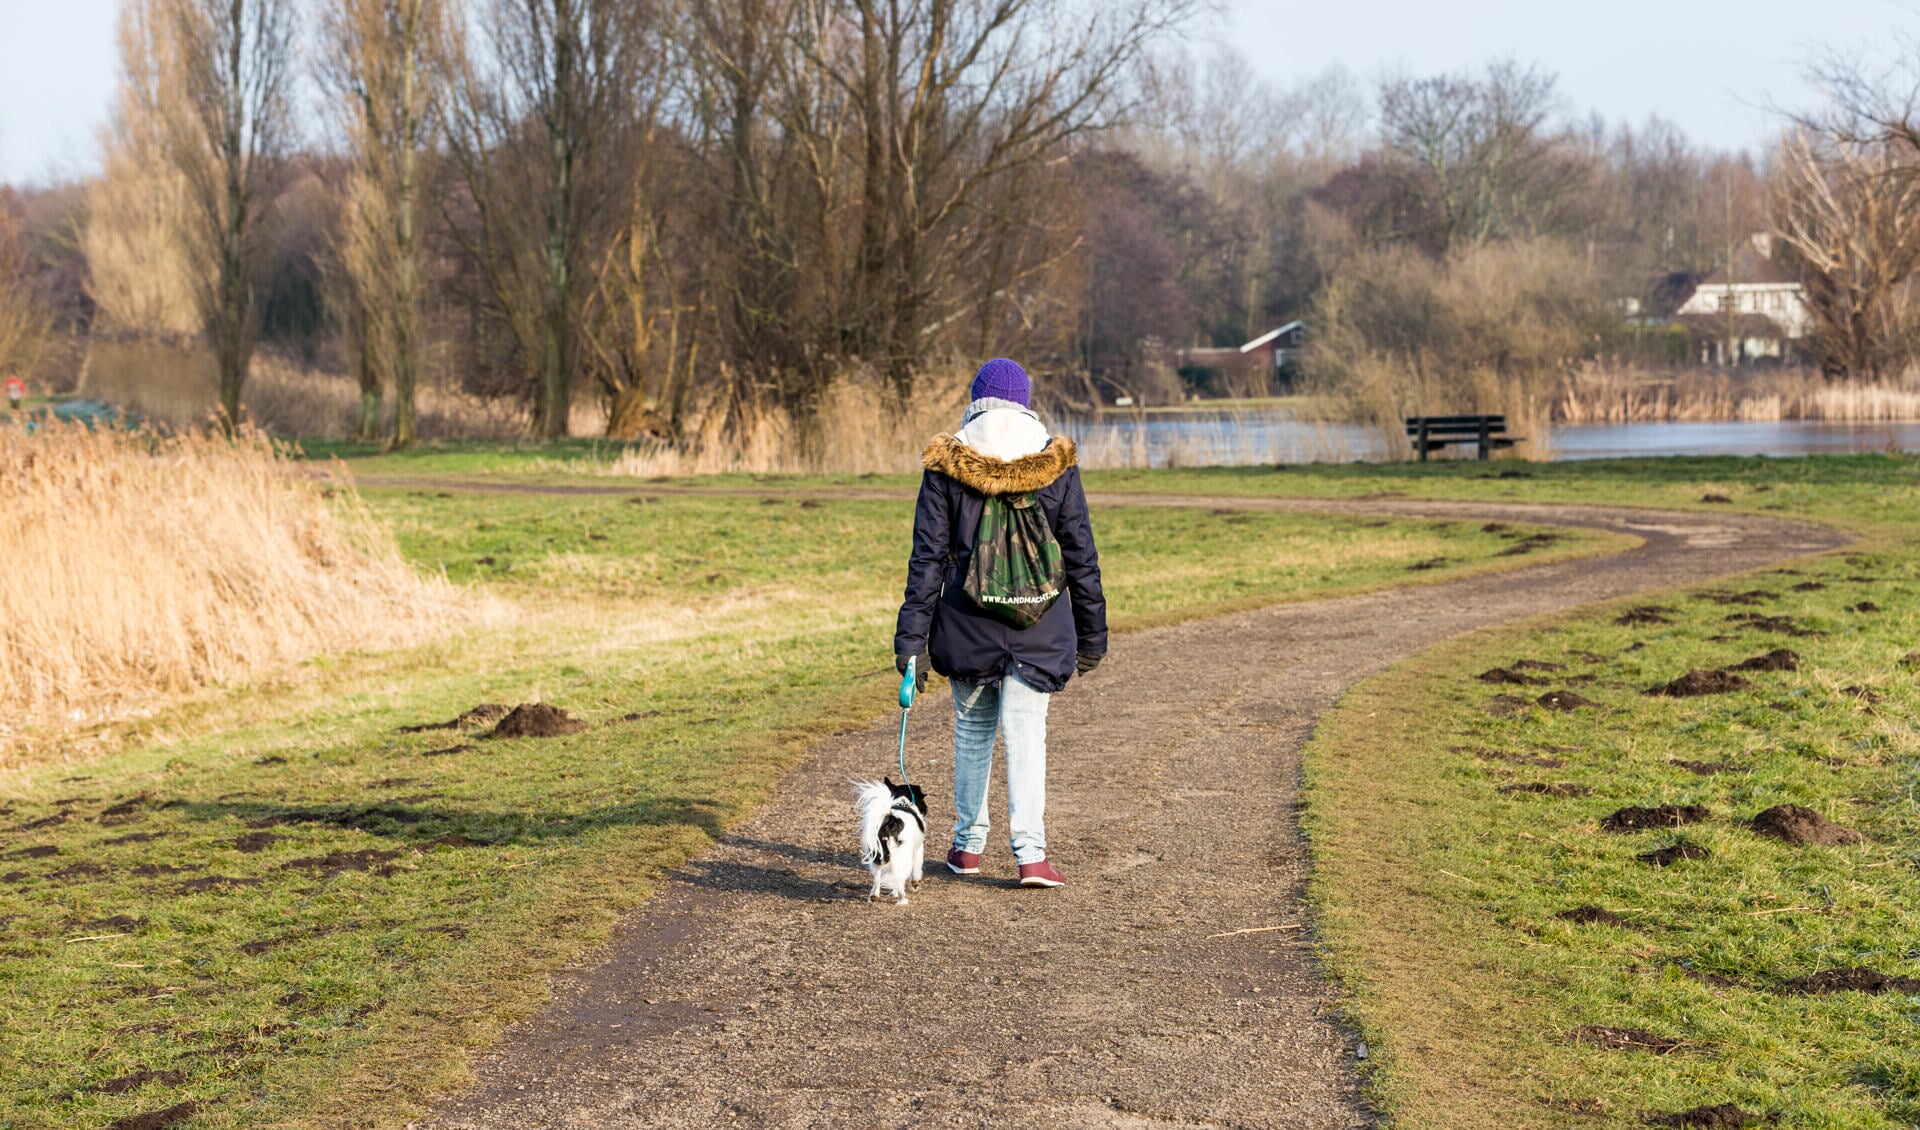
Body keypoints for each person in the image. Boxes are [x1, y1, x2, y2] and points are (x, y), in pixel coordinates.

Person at [894, 358, 1107, 889]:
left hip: (968, 622)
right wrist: (1092, 633)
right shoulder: (1055, 465)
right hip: (1042, 622)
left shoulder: (948, 466)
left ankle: (967, 847)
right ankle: (1030, 856)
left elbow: (928, 560)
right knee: (1026, 734)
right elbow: (1080, 555)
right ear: (1026, 403)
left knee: (972, 732)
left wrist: (911, 643)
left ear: (975, 402)